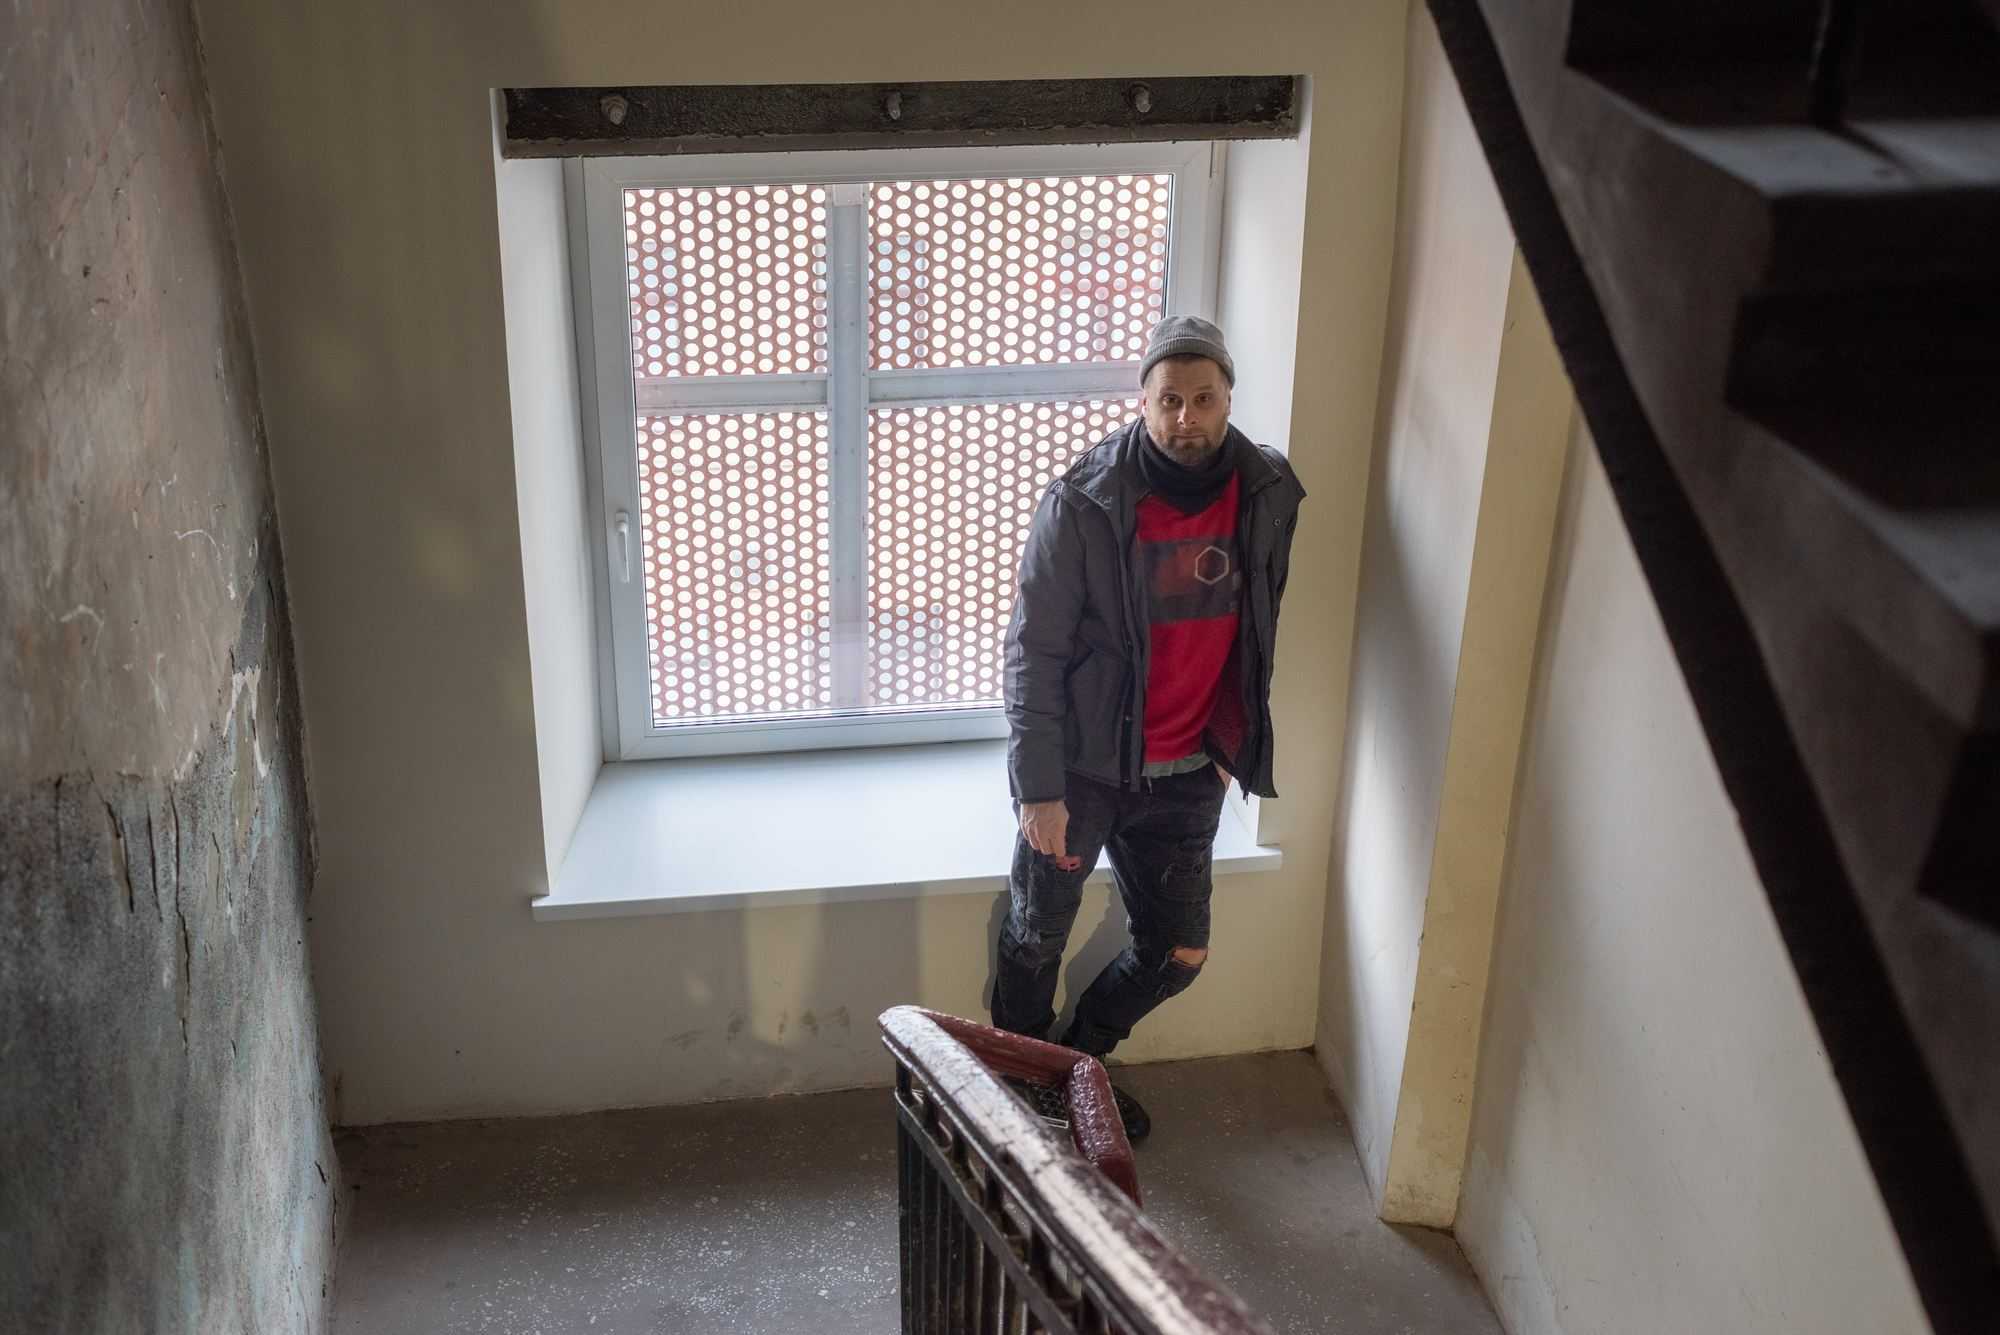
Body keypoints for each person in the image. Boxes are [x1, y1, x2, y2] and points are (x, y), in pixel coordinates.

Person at [992, 315, 1305, 1140]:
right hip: (1084, 773)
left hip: (1188, 774)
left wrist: (1231, 743)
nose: (1186, 417)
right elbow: (1032, 651)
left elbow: (1257, 626)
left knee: (1178, 952)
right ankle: (1023, 1087)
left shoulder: (1268, 491)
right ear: (1142, 401)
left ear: (1229, 399)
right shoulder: (1084, 501)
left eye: (1204, 399)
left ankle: (1075, 1066)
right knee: (1035, 936)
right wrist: (1039, 788)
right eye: (1169, 400)